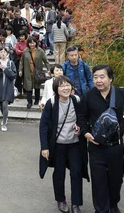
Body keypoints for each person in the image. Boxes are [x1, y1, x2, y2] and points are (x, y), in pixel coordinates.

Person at [78, 65, 124, 213]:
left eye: (102, 77)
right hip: (96, 146)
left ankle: (113, 205)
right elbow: (81, 118)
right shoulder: (88, 96)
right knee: (99, 182)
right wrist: (86, 133)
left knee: (116, 180)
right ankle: (101, 209)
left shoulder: (120, 95)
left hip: (116, 147)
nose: (98, 80)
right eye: (95, 77)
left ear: (110, 79)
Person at [40, 76, 89, 213]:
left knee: (76, 173)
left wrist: (79, 127)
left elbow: (82, 120)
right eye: (62, 86)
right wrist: (44, 147)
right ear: (56, 89)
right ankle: (61, 200)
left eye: (68, 85)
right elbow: (43, 126)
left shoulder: (76, 100)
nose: (65, 88)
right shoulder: (52, 103)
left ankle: (76, 204)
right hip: (58, 145)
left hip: (74, 144)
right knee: (59, 173)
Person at [19, 36, 50, 108]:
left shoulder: (40, 51)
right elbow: (21, 61)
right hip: (28, 71)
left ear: (36, 43)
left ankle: (36, 100)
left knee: (37, 87)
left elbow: (46, 61)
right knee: (28, 87)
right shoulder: (25, 51)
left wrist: (49, 69)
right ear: (28, 44)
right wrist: (20, 70)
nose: (32, 44)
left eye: (33, 43)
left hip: (37, 72)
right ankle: (29, 102)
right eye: (30, 43)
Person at [0, 47, 17, 131]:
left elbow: (13, 75)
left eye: (4, 52)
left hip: (8, 86)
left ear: (7, 54)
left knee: (5, 104)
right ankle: (5, 116)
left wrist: (5, 68)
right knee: (0, 105)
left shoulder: (11, 63)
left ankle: (4, 123)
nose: (2, 53)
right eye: (1, 52)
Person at [14, 31, 28, 95]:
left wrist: (21, 52)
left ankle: (25, 90)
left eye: (22, 36)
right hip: (19, 60)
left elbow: (28, 51)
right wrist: (23, 52)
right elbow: (17, 51)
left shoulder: (27, 43)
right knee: (18, 76)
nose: (21, 37)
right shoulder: (17, 43)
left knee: (25, 75)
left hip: (26, 61)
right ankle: (19, 90)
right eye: (20, 36)